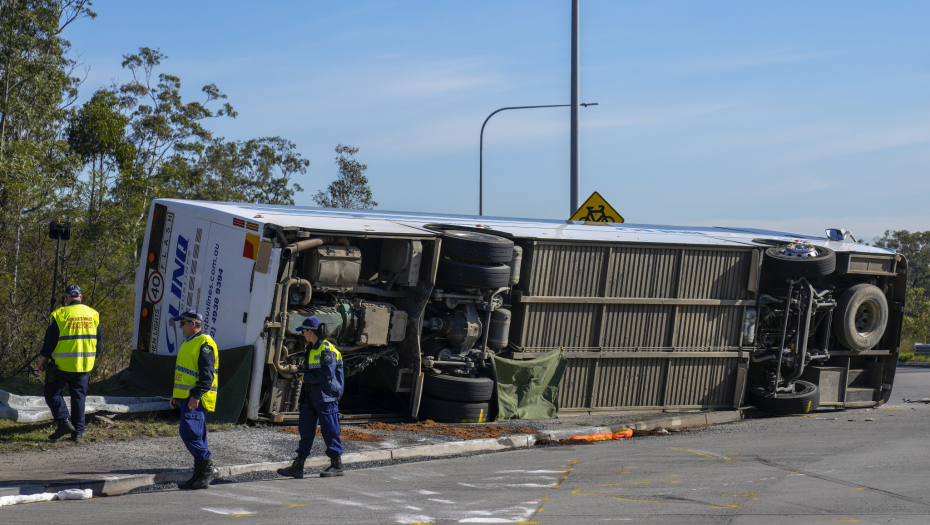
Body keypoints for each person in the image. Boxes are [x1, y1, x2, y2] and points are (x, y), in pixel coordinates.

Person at [278, 318, 345, 479]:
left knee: (330, 430)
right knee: (306, 430)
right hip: (311, 396)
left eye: (303, 331)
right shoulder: (310, 348)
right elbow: (313, 369)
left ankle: (337, 465)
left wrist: (305, 377)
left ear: (310, 331)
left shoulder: (326, 349)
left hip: (326, 396)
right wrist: (302, 371)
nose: (302, 334)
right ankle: (298, 465)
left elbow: (327, 374)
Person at [38, 284, 100, 442]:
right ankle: (78, 433)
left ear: (66, 298)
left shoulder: (60, 314)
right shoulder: (93, 314)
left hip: (62, 365)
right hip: (85, 365)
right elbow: (99, 342)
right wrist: (93, 357)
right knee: (79, 397)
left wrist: (43, 358)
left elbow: (50, 341)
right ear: (81, 297)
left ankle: (64, 421)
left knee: (51, 393)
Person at [169, 309, 220, 490]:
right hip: (186, 397)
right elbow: (184, 373)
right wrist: (176, 395)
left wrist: (196, 395)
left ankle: (207, 468)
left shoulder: (204, 343)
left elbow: (207, 375)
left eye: (182, 323)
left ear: (193, 324)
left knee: (188, 433)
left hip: (196, 399)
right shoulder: (189, 342)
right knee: (196, 435)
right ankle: (199, 474)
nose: (180, 327)